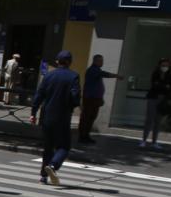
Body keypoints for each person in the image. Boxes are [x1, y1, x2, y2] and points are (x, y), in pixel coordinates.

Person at [30, 50, 81, 186]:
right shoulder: (74, 76)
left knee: (48, 147)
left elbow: (39, 95)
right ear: (70, 62)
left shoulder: (48, 76)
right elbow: (75, 97)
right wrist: (73, 103)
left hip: (46, 116)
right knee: (64, 146)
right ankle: (53, 166)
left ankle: (43, 177)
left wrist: (33, 113)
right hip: (63, 117)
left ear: (57, 61)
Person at [78, 54, 124, 144]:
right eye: (100, 61)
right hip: (90, 99)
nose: (102, 62)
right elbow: (104, 74)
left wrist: (100, 98)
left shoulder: (97, 70)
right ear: (95, 61)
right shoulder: (92, 70)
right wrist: (116, 76)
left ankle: (86, 135)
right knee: (86, 118)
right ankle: (82, 136)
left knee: (91, 118)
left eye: (102, 60)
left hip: (95, 99)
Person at [142, 58, 171, 149]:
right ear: (159, 66)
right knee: (149, 120)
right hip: (153, 98)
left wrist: (163, 87)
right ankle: (143, 140)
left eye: (167, 65)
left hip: (163, 100)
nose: (165, 67)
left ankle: (154, 142)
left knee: (158, 121)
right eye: (163, 65)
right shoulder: (155, 74)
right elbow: (155, 85)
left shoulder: (170, 75)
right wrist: (164, 86)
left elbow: (170, 88)